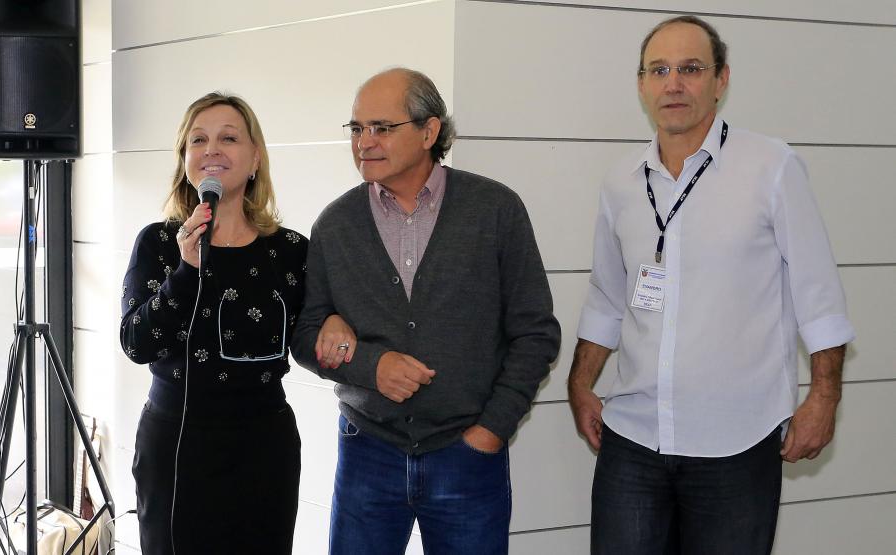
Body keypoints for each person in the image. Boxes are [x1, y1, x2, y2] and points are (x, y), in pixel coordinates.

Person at [567, 16, 855, 554]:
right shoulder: (620, 183)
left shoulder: (772, 167)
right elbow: (608, 299)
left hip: (737, 442)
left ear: (721, 81)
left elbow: (820, 299)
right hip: (632, 437)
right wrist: (581, 385)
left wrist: (824, 396)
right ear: (641, 85)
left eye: (691, 69)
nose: (673, 84)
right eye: (659, 70)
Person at [291, 67, 561, 554]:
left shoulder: (495, 210)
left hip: (467, 453)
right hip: (366, 451)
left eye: (381, 127)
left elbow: (536, 333)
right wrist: (373, 367)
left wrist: (492, 430)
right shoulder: (335, 224)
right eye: (356, 129)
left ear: (429, 131)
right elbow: (306, 332)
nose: (364, 142)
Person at [120, 92, 351, 554]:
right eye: (198, 140)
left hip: (263, 449)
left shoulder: (290, 250)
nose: (212, 150)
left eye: (229, 138)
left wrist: (336, 321)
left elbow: (309, 334)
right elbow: (136, 343)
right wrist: (185, 273)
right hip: (176, 446)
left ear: (255, 159)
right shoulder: (160, 243)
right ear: (185, 159)